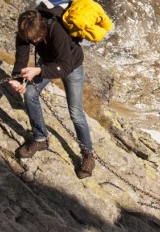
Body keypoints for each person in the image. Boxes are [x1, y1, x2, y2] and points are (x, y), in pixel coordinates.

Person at [8, 9, 95, 179]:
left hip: (72, 66)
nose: (33, 41)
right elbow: (21, 56)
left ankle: (88, 154)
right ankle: (40, 139)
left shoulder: (56, 30)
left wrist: (39, 70)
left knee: (76, 113)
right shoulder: (25, 32)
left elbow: (65, 66)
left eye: (36, 39)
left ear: (42, 29)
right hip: (48, 62)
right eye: (30, 39)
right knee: (30, 94)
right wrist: (17, 79)